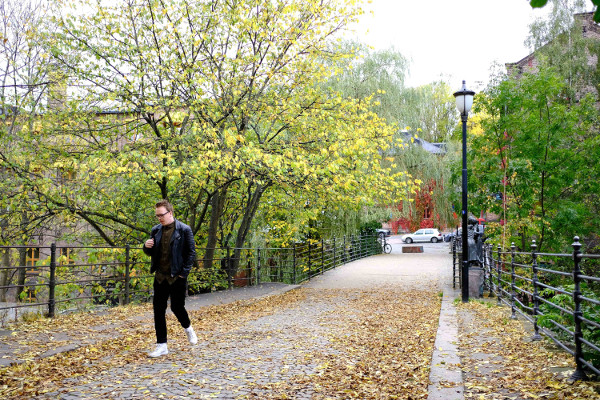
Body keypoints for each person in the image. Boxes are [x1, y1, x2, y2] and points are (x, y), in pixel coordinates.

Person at [143, 199, 197, 357]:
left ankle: (188, 328)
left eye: (162, 215)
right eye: (157, 216)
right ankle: (162, 345)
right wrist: (145, 247)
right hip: (160, 276)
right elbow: (151, 252)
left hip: (177, 277)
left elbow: (191, 253)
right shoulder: (156, 230)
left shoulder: (184, 230)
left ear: (170, 213)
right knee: (158, 310)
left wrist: (183, 274)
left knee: (177, 307)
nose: (159, 218)